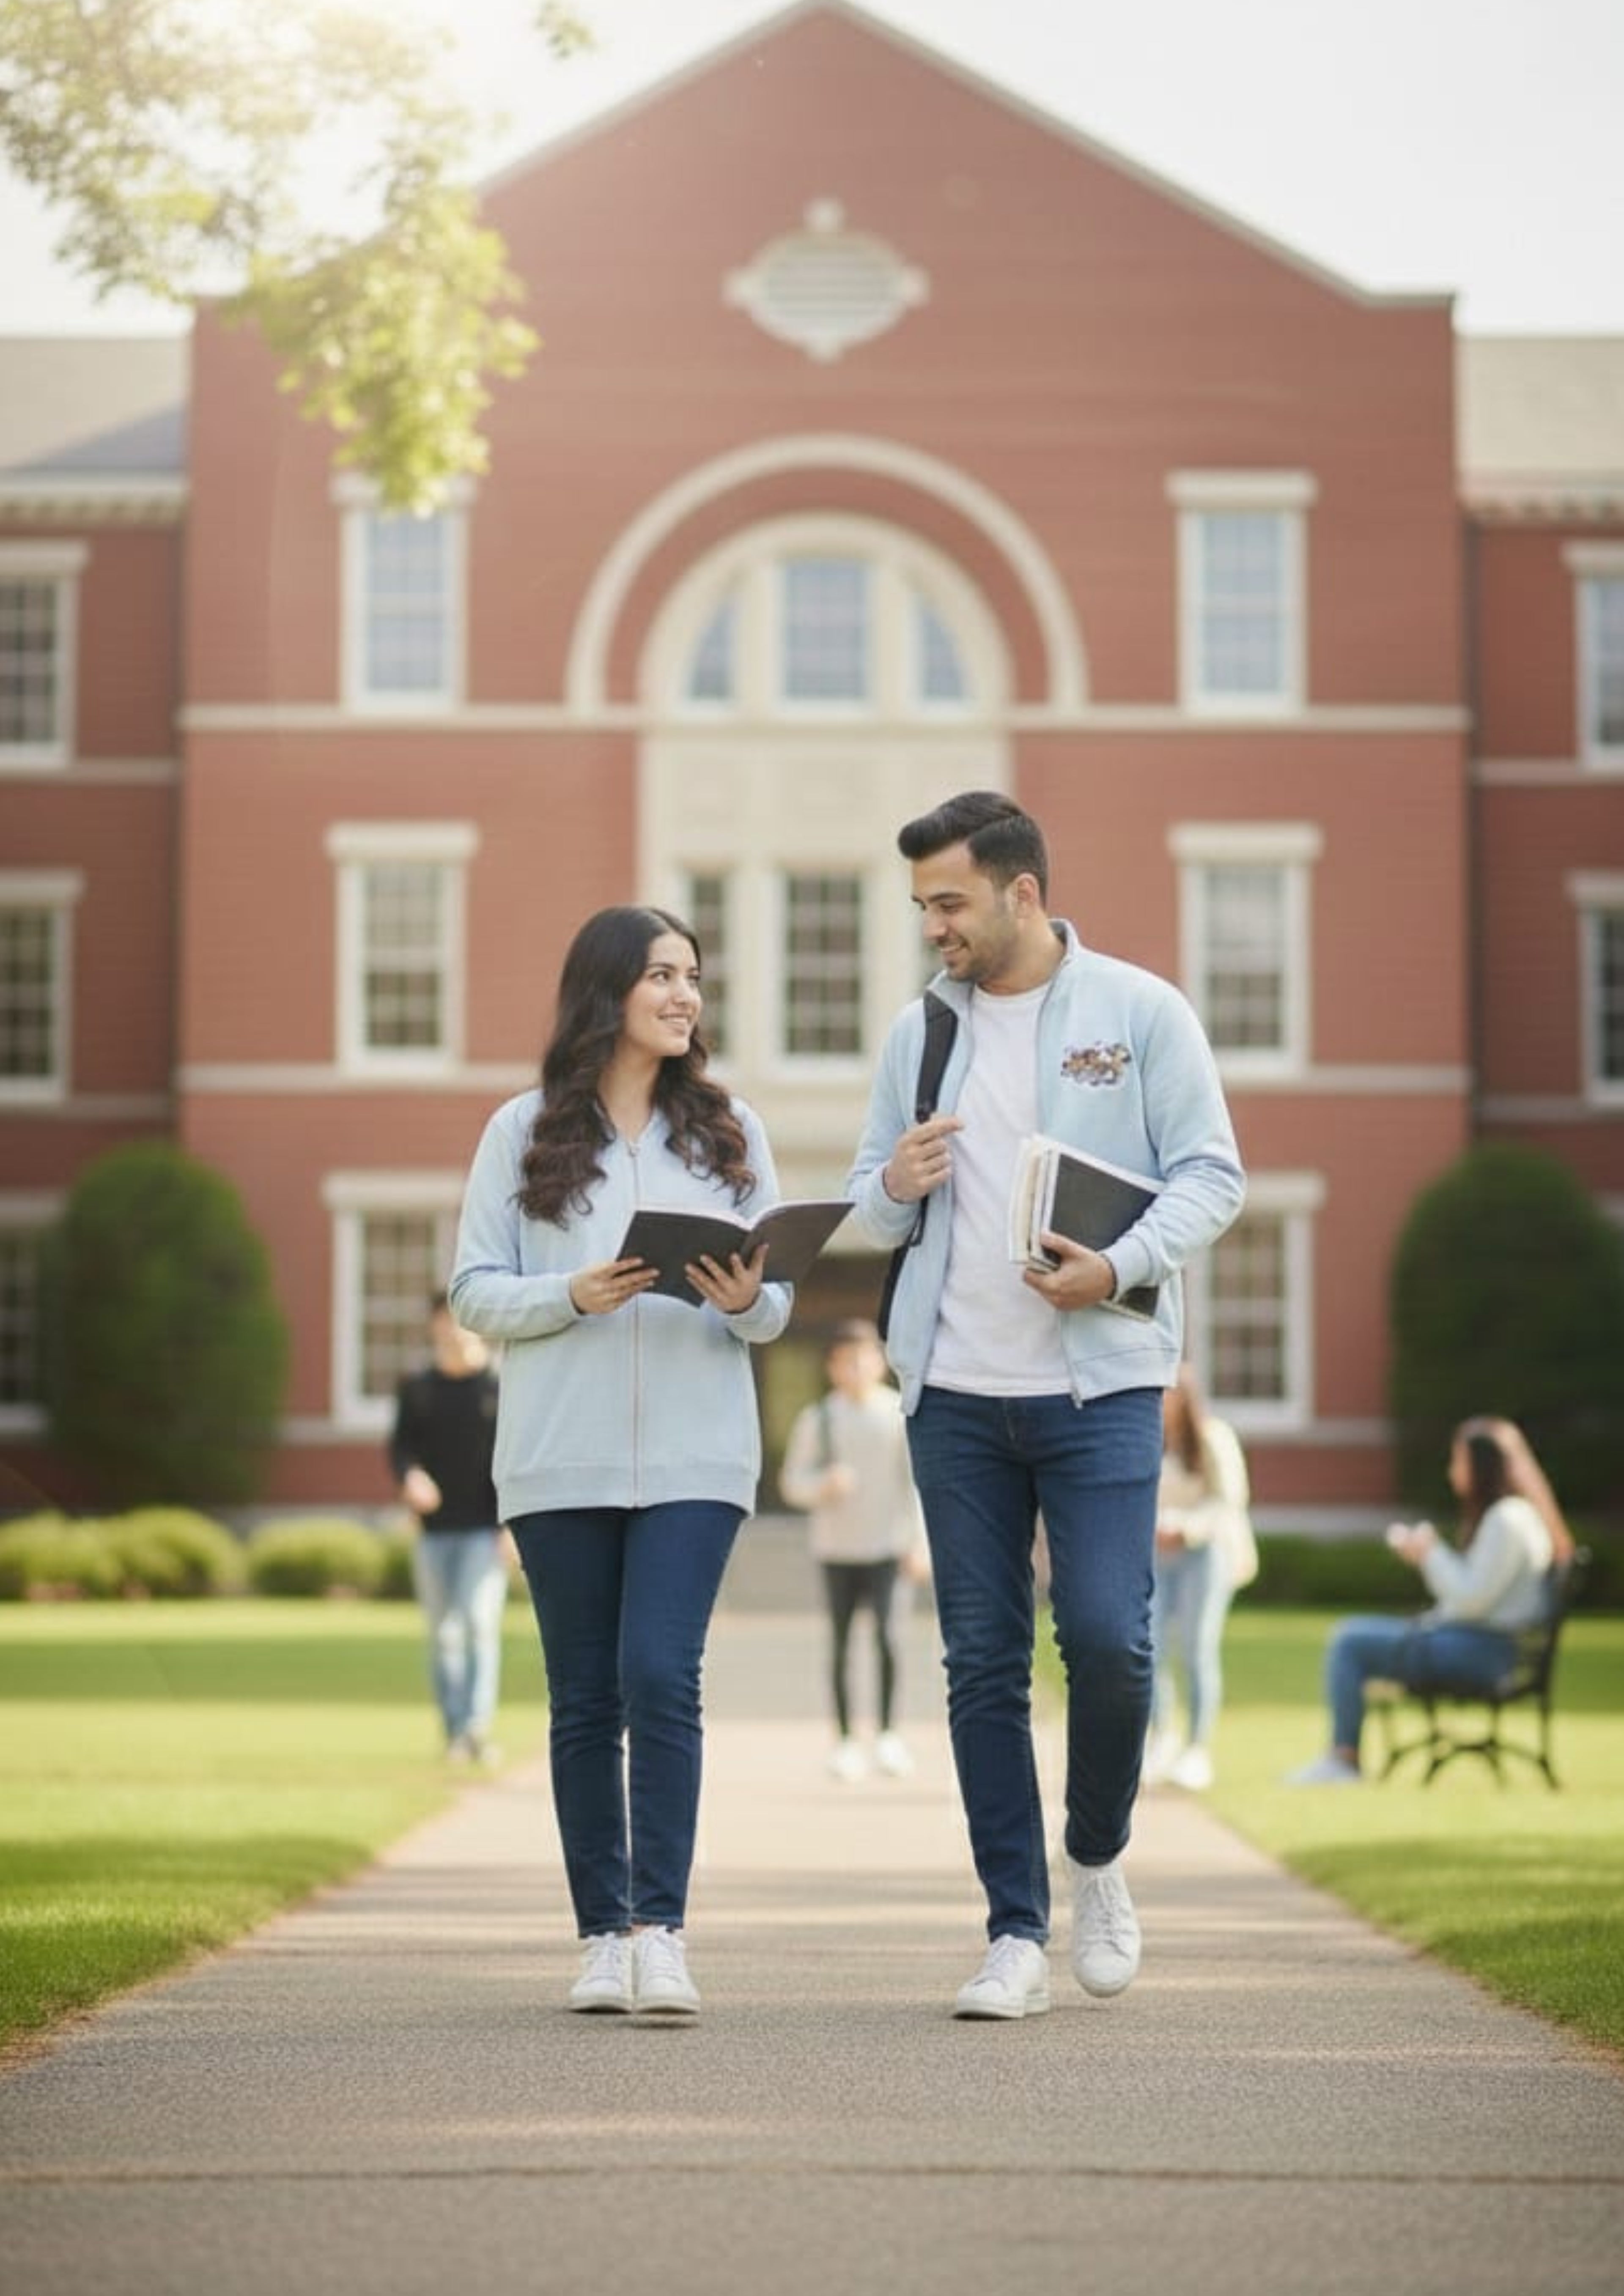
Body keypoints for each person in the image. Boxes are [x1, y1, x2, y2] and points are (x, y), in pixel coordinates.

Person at [846, 791, 1245, 2019]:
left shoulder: (1138, 1012)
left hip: (1101, 1388)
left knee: (1110, 1645)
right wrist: (892, 1183)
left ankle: (1097, 1854)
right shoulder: (918, 1032)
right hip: (954, 1395)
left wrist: (1114, 1268)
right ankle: (1012, 1929)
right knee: (978, 1667)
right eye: (921, 907)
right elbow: (864, 1208)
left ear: (1022, 893)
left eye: (950, 903)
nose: (933, 928)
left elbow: (1211, 1174)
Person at [449, 905, 791, 2018]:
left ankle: (663, 1930)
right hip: (561, 1459)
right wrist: (570, 1293)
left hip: (699, 1454)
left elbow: (779, 1297)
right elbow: (472, 1289)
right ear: (608, 990)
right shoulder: (521, 1129)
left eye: (694, 975)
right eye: (662, 974)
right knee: (586, 1699)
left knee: (661, 1673)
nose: (687, 995)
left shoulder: (731, 1127)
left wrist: (748, 1303)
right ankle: (601, 1935)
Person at [1286, 1415, 1573, 1785]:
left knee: (1350, 1641)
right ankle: (1343, 1758)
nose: (1452, 1470)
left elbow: (1471, 1601)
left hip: (1481, 1653)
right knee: (1359, 1634)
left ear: (1481, 1466)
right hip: (1483, 1645)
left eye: (1458, 1459)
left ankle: (1344, 1759)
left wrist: (1430, 1554)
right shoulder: (1516, 1517)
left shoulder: (1507, 1521)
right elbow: (1475, 1596)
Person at [780, 1317, 929, 1782]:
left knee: (888, 1639)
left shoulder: (899, 1416)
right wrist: (821, 1486)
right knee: (841, 1644)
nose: (857, 1369)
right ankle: (844, 1740)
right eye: (846, 1362)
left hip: (888, 1546)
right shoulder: (818, 1419)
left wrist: (920, 1543)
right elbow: (791, 1484)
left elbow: (918, 1486)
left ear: (881, 1363)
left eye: (865, 1359)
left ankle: (887, 1735)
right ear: (832, 1368)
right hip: (837, 1549)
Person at [387, 1291, 507, 1765]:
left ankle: (477, 1727)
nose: (453, 1329)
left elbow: (512, 1458)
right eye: (445, 1320)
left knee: (478, 1624)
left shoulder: (499, 1386)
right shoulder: (418, 1388)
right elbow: (400, 1449)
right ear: (435, 1326)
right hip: (434, 1531)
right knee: (444, 1634)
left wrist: (512, 1526)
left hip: (484, 1529)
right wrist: (409, 1479)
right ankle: (454, 1730)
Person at [1143, 1363, 1257, 1792]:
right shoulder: (1150, 1440)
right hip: (1159, 1555)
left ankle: (1197, 1749)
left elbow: (1229, 1502)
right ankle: (1160, 1738)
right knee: (1149, 1648)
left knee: (1196, 1648)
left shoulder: (1213, 1439)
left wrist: (1186, 1528)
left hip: (1205, 1555)